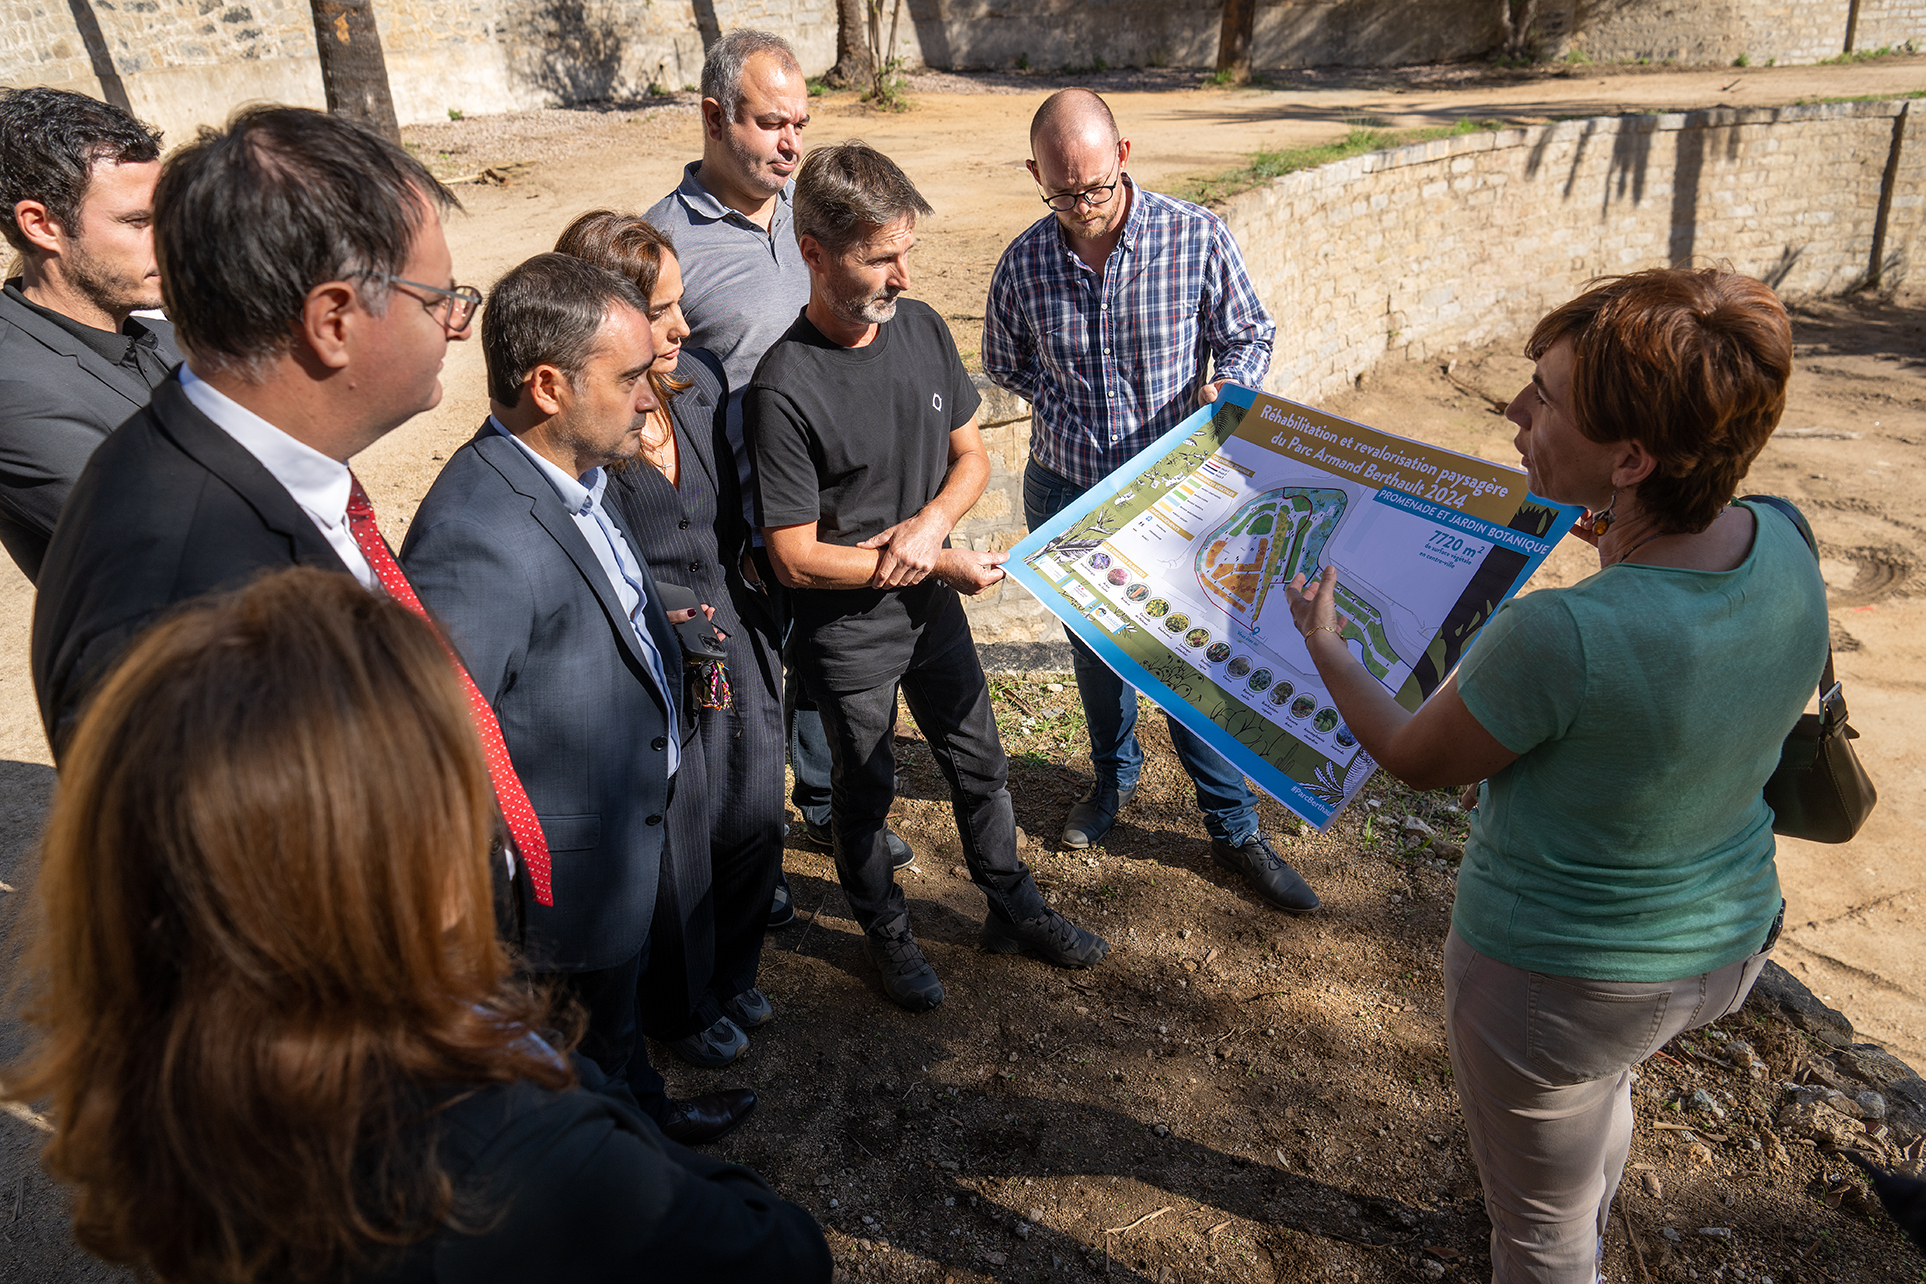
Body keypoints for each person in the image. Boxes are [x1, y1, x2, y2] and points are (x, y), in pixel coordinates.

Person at [2, 567, 833, 1284]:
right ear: (407, 860)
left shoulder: (173, 1074)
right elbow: (782, 1253)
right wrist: (555, 1078)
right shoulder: (516, 1148)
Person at [1282, 267, 1824, 1283]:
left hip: (1563, 979)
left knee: (1539, 1237)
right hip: (1729, 939)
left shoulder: (1560, 633)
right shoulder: (1785, 536)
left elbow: (1413, 757)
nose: (1515, 407)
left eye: (1548, 395)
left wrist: (1330, 649)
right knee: (1589, 1112)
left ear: (1630, 457)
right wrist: (1620, 533)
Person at [402, 252, 755, 1145]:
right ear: (550, 385)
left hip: (624, 844)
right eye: (631, 377)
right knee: (579, 1062)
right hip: (566, 893)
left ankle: (650, 1118)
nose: (651, 397)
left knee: (617, 1029)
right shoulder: (475, 538)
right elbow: (439, 757)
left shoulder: (580, 477)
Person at [748, 141, 1108, 1013]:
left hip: (931, 615)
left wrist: (935, 525)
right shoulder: (782, 390)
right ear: (813, 252)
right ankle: (887, 934)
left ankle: (1010, 901)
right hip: (847, 635)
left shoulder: (924, 329)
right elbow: (792, 555)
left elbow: (972, 455)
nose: (904, 275)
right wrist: (919, 559)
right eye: (880, 256)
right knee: (863, 798)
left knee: (980, 766)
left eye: (908, 250)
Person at [31, 105, 470, 755]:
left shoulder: (253, 458)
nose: (457, 324)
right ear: (333, 324)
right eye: (438, 300)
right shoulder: (197, 622)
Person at [982, 88, 1318, 915]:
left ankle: (1234, 827)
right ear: (1037, 175)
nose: (1083, 207)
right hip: (1067, 488)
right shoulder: (1023, 262)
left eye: (1095, 186)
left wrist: (1227, 387)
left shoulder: (1195, 235)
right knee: (1099, 653)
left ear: (1123, 155)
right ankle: (1112, 779)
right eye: (1062, 193)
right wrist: (1077, 410)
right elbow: (1006, 363)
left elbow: (1251, 332)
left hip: (1179, 495)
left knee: (1193, 661)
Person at [647, 30, 912, 919]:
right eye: (771, 123)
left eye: (801, 122)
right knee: (752, 687)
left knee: (834, 668)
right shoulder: (664, 244)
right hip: (742, 521)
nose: (791, 143)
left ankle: (835, 809)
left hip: (838, 498)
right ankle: (748, 850)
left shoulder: (817, 210)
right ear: (716, 117)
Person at [553, 210, 785, 1070]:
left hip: (737, 635)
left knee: (756, 814)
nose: (683, 327)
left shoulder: (703, 382)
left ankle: (737, 968)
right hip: (659, 659)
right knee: (680, 841)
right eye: (661, 312)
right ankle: (682, 1008)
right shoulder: (583, 432)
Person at [0, 86, 179, 583]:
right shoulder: (13, 389)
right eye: (137, 221)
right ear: (41, 225)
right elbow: (177, 542)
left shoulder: (165, 337)